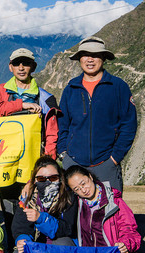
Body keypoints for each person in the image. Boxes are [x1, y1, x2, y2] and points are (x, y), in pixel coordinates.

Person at [0, 47, 61, 235]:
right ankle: (15, 250)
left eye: (25, 63)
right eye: (17, 63)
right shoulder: (0, 91)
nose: (21, 67)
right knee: (10, 208)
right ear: (10, 67)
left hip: (34, 164)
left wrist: (48, 164)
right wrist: (21, 105)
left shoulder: (45, 98)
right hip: (6, 162)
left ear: (33, 67)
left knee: (39, 208)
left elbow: (52, 134)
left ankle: (39, 251)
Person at [57, 36, 137, 194]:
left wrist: (114, 158)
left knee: (111, 210)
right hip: (74, 164)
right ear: (79, 59)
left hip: (106, 164)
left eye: (95, 55)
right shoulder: (71, 89)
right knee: (75, 213)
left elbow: (129, 124)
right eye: (85, 55)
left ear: (104, 58)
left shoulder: (118, 87)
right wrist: (64, 155)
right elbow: (62, 125)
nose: (90, 59)